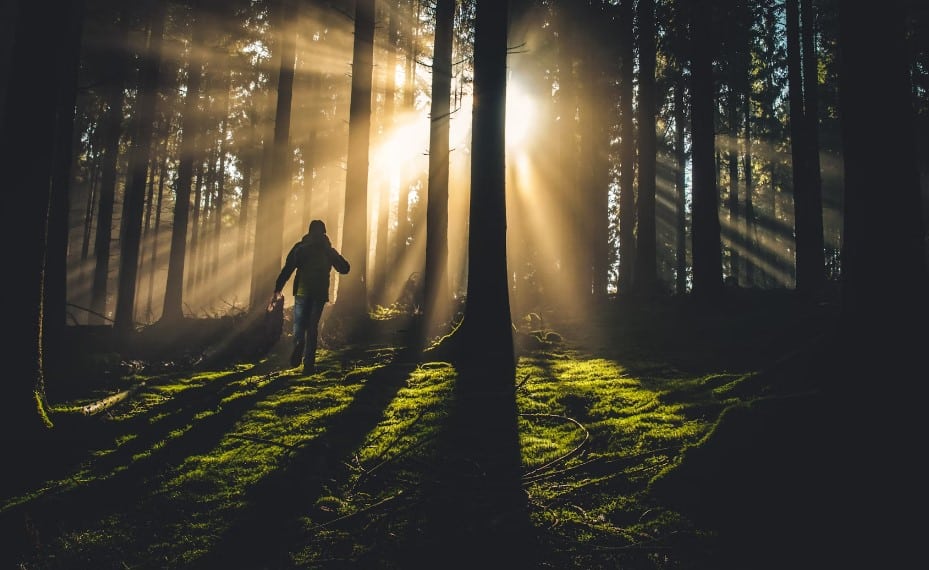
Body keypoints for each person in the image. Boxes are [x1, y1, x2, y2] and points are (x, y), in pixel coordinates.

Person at [273, 219, 350, 374]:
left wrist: (278, 288)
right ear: (324, 232)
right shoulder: (327, 250)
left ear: (309, 231)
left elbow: (288, 269)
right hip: (319, 292)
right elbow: (345, 268)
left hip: (302, 291)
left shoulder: (300, 248)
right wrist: (333, 255)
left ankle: (299, 344)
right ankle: (309, 364)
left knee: (300, 324)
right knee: (312, 327)